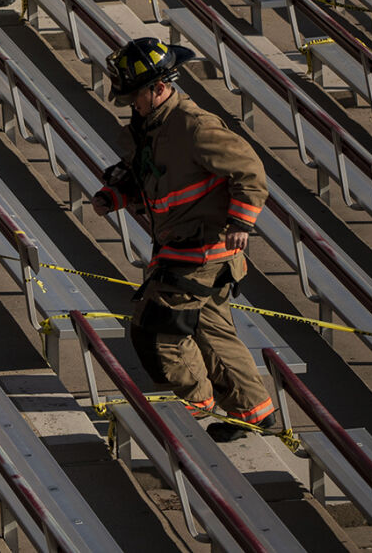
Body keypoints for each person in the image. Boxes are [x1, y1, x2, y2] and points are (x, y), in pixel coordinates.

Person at [91, 38, 277, 442]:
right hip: (180, 244)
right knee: (211, 330)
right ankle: (254, 411)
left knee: (159, 329)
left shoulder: (195, 127)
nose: (130, 105)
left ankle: (195, 403)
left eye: (134, 97)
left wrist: (241, 223)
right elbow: (151, 179)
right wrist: (116, 196)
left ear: (158, 88)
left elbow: (250, 172)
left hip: (204, 250)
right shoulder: (151, 127)